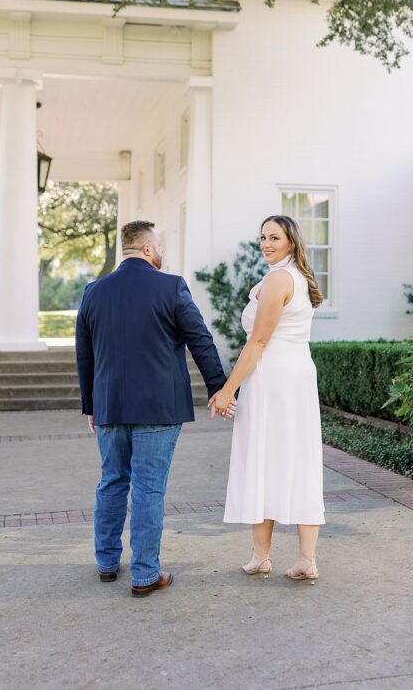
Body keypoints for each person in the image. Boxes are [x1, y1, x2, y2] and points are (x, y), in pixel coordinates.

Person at [75, 220, 234, 598]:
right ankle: (145, 574)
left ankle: (107, 564)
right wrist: (219, 387)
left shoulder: (93, 292)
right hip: (159, 408)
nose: (162, 252)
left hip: (110, 403)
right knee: (148, 488)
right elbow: (201, 340)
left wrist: (90, 405)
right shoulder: (171, 286)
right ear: (147, 249)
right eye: (159, 246)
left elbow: (84, 353)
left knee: (112, 481)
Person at [215, 215, 326, 582]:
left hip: (274, 379)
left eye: (274, 237)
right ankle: (292, 558)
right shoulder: (295, 276)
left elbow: (258, 341)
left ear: (291, 241)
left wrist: (228, 389)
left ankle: (268, 556)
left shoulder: (280, 278)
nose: (265, 243)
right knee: (297, 458)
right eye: (262, 237)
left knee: (262, 458)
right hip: (294, 376)